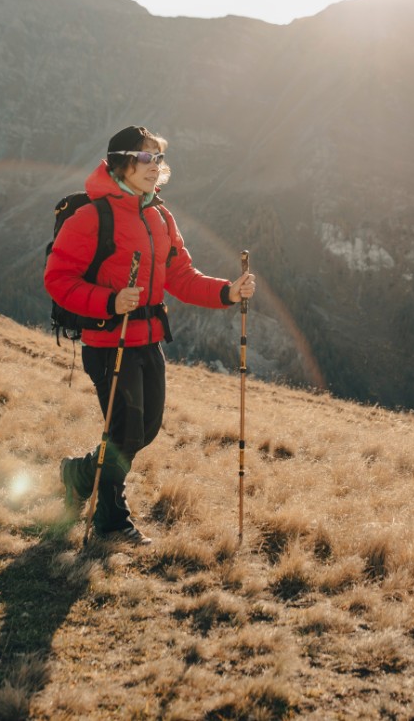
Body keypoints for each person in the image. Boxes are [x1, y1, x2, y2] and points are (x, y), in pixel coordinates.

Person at [45, 125, 256, 544]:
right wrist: (110, 302)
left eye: (157, 159)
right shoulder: (91, 216)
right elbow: (58, 279)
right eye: (145, 158)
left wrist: (226, 292)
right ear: (120, 162)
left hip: (148, 340)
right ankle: (111, 522)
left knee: (148, 428)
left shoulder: (159, 215)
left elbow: (180, 275)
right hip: (109, 344)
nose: (154, 167)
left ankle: (79, 473)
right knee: (123, 433)